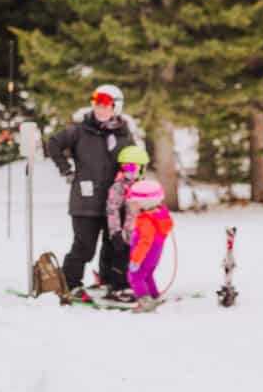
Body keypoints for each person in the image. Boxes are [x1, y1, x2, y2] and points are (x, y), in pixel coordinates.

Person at [46, 84, 134, 300]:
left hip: (114, 203)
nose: (100, 109)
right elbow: (53, 144)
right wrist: (66, 170)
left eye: (105, 105)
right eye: (97, 104)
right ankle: (70, 284)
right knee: (84, 246)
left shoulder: (124, 135)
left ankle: (113, 283)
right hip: (85, 202)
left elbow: (133, 161)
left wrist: (132, 181)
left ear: (117, 107)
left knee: (115, 246)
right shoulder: (80, 131)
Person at [102, 145, 150, 301]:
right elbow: (112, 209)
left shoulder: (144, 186)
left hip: (143, 234)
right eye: (125, 166)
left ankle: (139, 286)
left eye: (133, 167)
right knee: (121, 260)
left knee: (140, 261)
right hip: (126, 234)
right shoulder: (119, 187)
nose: (129, 171)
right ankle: (118, 287)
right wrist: (115, 232)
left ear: (142, 168)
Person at [125, 179, 174, 313]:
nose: (130, 206)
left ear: (142, 203)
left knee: (135, 276)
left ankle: (145, 301)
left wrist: (136, 260)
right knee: (147, 275)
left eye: (132, 203)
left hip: (144, 255)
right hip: (154, 255)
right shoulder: (159, 215)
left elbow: (144, 242)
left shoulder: (145, 220)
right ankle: (154, 296)